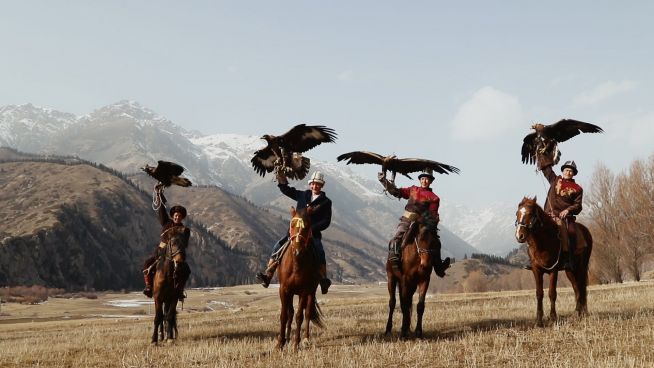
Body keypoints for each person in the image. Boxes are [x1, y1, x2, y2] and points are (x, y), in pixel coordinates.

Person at [256, 171, 333, 294]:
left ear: (322, 185)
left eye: (318, 184)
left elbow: (326, 221)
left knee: (320, 252)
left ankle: (323, 280)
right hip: (295, 232)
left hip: (312, 234)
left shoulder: (326, 202)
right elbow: (287, 190)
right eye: (313, 184)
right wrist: (282, 181)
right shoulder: (302, 195)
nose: (315, 186)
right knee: (278, 246)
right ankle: (268, 274)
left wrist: (311, 228)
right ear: (310, 184)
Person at [378, 168, 451, 277]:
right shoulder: (413, 189)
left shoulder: (435, 198)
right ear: (420, 180)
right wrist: (384, 181)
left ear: (431, 181)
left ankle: (439, 267)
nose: (424, 181)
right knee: (396, 237)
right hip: (406, 220)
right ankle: (394, 263)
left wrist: (426, 222)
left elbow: (433, 214)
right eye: (422, 179)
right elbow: (397, 192)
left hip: (423, 224)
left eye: (427, 179)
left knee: (436, 242)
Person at [531, 153, 583, 270]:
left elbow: (578, 206)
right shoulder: (555, 180)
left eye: (571, 171)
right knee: (531, 227)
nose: (568, 172)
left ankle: (567, 258)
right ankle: (533, 259)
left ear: (574, 173)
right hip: (547, 215)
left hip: (563, 218)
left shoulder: (578, 189)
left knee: (569, 232)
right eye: (566, 170)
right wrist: (540, 155)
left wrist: (568, 210)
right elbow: (547, 169)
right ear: (563, 170)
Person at [142, 188, 191, 301]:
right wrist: (160, 195)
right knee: (146, 264)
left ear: (182, 217)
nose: (177, 217)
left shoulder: (185, 230)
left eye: (179, 216)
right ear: (173, 215)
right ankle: (149, 286)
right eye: (175, 215)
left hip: (175, 255)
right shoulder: (166, 223)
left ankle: (180, 290)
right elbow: (162, 211)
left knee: (186, 270)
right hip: (160, 253)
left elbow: (185, 244)